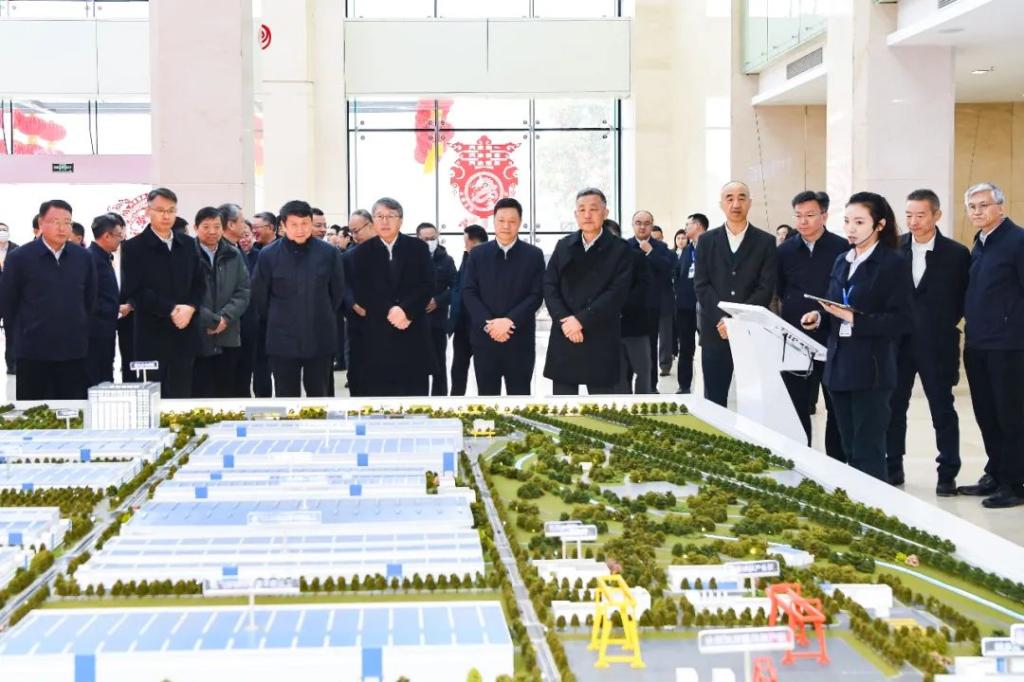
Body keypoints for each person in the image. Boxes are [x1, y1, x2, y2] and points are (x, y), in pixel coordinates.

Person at [801, 192, 912, 482]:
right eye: (848, 221)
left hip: (872, 370)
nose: (851, 228)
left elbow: (901, 320)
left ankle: (875, 504)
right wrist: (820, 316)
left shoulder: (893, 263)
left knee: (868, 450)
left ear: (880, 225)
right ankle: (855, 501)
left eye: (860, 222)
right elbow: (835, 305)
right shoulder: (842, 260)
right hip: (839, 366)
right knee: (848, 447)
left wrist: (854, 319)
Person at [884, 189, 970, 494]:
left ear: (937, 215)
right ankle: (893, 466)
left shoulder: (957, 254)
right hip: (899, 344)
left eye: (920, 215)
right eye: (909, 215)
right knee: (894, 407)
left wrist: (938, 323)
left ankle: (947, 473)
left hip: (938, 344)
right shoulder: (894, 248)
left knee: (942, 409)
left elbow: (962, 299)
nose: (913, 221)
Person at [958, 182, 1024, 508]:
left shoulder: (1017, 241)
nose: (977, 212)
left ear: (1001, 206)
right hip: (978, 343)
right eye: (972, 207)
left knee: (1011, 416)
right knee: (987, 414)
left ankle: (1016, 483)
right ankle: (995, 473)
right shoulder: (980, 242)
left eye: (984, 205)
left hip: (1009, 346)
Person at [0, 199, 96, 400]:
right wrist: (18, 341)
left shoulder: (83, 257)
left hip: (73, 350)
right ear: (41, 223)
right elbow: (8, 305)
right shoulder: (19, 258)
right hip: (33, 352)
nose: (62, 228)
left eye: (67, 222)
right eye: (55, 222)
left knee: (72, 409)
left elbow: (89, 299)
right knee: (35, 409)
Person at [776, 191, 847, 458]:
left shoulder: (841, 248)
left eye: (810, 215)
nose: (803, 221)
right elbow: (780, 289)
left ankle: (835, 462)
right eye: (798, 216)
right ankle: (800, 458)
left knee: (835, 405)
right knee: (796, 404)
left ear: (824, 216)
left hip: (832, 337)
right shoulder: (785, 251)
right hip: (794, 337)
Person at [693, 181, 777, 406]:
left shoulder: (766, 241)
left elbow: (766, 287)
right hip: (715, 330)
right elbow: (701, 284)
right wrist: (723, 319)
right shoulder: (706, 241)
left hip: (751, 330)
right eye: (729, 198)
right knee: (714, 399)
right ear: (721, 204)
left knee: (753, 401)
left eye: (741, 198)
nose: (736, 204)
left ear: (750, 202)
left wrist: (737, 320)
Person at [543, 188, 633, 395]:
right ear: (575, 214)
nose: (587, 215)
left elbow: (617, 292)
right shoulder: (564, 245)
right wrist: (565, 320)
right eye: (582, 210)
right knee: (564, 405)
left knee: (602, 404)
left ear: (605, 213)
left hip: (600, 333)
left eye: (593, 209)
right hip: (565, 332)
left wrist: (581, 320)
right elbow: (549, 285)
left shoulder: (620, 249)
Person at [251, 200, 345, 397]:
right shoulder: (268, 255)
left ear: (311, 223)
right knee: (286, 395)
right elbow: (260, 296)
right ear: (283, 226)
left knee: (319, 394)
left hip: (319, 335)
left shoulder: (329, 253)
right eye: (294, 224)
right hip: (282, 338)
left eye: (305, 223)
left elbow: (337, 293)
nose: (300, 229)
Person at [120, 187, 206, 398]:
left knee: (182, 396)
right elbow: (135, 291)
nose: (166, 216)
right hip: (151, 335)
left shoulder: (188, 245)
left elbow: (200, 283)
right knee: (152, 398)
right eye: (160, 210)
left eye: (171, 210)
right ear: (148, 211)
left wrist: (190, 308)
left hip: (184, 332)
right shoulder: (133, 247)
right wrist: (172, 310)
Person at [345, 198, 435, 396]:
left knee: (413, 402)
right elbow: (362, 291)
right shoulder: (359, 254)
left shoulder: (418, 248)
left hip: (412, 333)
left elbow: (427, 285)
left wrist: (406, 310)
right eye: (379, 216)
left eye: (391, 216)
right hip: (376, 338)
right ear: (373, 221)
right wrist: (390, 310)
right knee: (378, 400)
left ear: (400, 220)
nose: (385, 221)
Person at [461, 198, 544, 396]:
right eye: (501, 220)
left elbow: (536, 295)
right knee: (487, 399)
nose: (506, 226)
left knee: (520, 399)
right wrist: (490, 324)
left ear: (520, 222)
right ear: (493, 221)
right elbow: (468, 292)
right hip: (485, 339)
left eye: (512, 221)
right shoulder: (478, 254)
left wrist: (509, 321)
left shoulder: (533, 255)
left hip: (519, 340)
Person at [192, 207, 251, 399]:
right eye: (206, 227)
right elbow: (184, 294)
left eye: (217, 226)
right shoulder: (186, 254)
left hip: (228, 333)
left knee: (227, 393)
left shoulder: (234, 254)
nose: (212, 231)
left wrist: (224, 318)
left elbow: (243, 291)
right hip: (197, 334)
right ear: (196, 228)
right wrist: (210, 320)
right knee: (200, 394)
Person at [629, 210, 676, 386]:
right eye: (638, 223)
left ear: (652, 225)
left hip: (654, 307)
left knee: (650, 348)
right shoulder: (624, 246)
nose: (642, 227)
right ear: (633, 225)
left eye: (646, 223)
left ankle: (651, 387)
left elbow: (669, 269)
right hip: (630, 309)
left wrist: (650, 252)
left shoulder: (661, 248)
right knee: (628, 350)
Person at [85, 214, 126, 388]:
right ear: (107, 236)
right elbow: (90, 298)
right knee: (98, 376)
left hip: (106, 328)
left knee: (106, 372)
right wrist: (117, 309)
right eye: (119, 235)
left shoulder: (104, 257)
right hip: (95, 330)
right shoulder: (91, 259)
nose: (121, 239)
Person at [417, 222, 457, 396]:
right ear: (418, 239)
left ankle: (439, 401)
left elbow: (456, 287)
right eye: (425, 239)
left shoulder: (447, 260)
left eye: (432, 238)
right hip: (415, 322)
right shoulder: (411, 259)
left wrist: (438, 301)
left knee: (439, 365)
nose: (429, 242)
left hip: (438, 322)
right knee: (417, 366)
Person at [617, 219, 657, 394]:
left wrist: (619, 305)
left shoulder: (636, 257)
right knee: (619, 374)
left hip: (636, 323)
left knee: (643, 370)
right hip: (610, 326)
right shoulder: (597, 262)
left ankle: (643, 403)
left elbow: (644, 288)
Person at [449, 225, 489, 396]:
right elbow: (459, 286)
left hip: (481, 325)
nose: (464, 244)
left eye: (465, 240)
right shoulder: (467, 257)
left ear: (472, 240)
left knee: (484, 371)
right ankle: (455, 402)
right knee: (458, 368)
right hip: (462, 324)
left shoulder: (488, 258)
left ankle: (484, 404)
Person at [341, 209, 374, 395]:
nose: (354, 236)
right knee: (358, 372)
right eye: (351, 232)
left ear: (371, 225)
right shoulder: (348, 256)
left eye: (357, 231)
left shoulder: (389, 253)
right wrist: (353, 304)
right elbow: (343, 285)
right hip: (358, 321)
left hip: (386, 322)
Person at [675, 213, 706, 394]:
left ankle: (709, 388)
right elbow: (678, 274)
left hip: (706, 306)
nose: (686, 228)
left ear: (698, 225)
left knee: (709, 348)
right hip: (685, 306)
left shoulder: (711, 246)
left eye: (688, 224)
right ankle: (684, 385)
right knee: (685, 348)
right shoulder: (687, 250)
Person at [248, 210, 279, 397]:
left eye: (256, 227)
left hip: (279, 318)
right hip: (257, 319)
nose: (253, 231)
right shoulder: (252, 251)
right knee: (259, 364)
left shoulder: (282, 250)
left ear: (270, 227)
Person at [0, 223, 19, 376]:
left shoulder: (17, 250)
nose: (2, 233)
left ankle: (12, 365)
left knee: (11, 333)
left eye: (4, 230)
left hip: (10, 298)